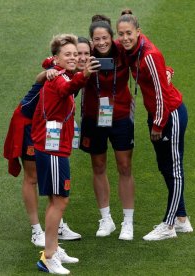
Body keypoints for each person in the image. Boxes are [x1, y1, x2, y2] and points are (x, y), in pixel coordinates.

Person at [3, 38, 93, 247]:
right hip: (28, 124)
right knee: (32, 177)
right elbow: (47, 73)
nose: (79, 58)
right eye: (73, 54)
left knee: (52, 185)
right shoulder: (57, 72)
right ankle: (37, 230)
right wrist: (47, 73)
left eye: (83, 54)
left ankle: (56, 226)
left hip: (46, 126)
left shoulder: (72, 71)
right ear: (60, 57)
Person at [116, 9, 194, 241]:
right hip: (158, 115)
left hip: (170, 114)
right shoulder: (131, 48)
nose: (125, 38)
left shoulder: (149, 54)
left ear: (138, 32)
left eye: (129, 33)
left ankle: (169, 225)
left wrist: (158, 124)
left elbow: (161, 94)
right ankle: (181, 219)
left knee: (175, 169)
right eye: (121, 34)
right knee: (164, 166)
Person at [32, 34, 99, 274]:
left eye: (75, 54)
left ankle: (54, 248)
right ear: (57, 58)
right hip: (51, 149)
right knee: (60, 200)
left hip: (55, 147)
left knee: (55, 199)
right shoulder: (60, 78)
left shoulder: (60, 72)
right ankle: (48, 256)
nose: (73, 58)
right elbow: (69, 87)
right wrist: (85, 75)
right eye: (68, 55)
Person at [80, 15, 135, 240]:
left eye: (105, 38)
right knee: (98, 166)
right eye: (97, 39)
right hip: (94, 118)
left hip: (120, 116)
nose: (101, 42)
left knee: (124, 166)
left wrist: (167, 71)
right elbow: (58, 58)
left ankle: (128, 222)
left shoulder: (124, 51)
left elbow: (143, 46)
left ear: (112, 38)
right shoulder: (86, 55)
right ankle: (106, 219)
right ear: (92, 41)